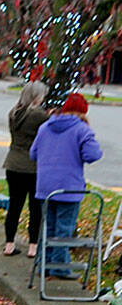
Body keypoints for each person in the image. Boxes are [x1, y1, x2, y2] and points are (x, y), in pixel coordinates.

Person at [30, 92, 103, 279]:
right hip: (69, 187)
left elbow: (33, 153)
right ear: (83, 111)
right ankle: (60, 267)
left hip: (45, 186)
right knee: (64, 229)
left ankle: (43, 264)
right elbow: (92, 155)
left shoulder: (45, 127)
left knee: (47, 227)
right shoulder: (82, 129)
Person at [2, 81, 50, 257]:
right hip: (33, 167)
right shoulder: (40, 116)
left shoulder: (14, 113)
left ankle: (9, 244)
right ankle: (33, 246)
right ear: (37, 96)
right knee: (35, 208)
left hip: (13, 164)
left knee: (14, 206)